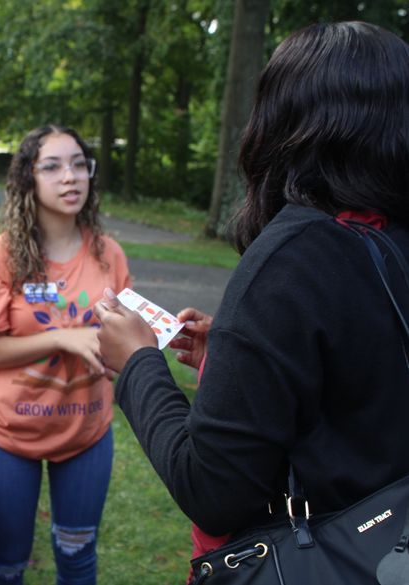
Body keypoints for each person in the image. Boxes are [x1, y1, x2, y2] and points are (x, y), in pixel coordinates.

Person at [93, 19, 409, 569]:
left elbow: (214, 492)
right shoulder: (388, 239)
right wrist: (245, 352)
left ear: (285, 124)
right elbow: (362, 382)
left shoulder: (291, 261)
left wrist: (139, 364)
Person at [0, 125, 131, 584]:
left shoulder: (109, 255)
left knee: (77, 559)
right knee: (6, 565)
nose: (71, 176)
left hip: (86, 431)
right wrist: (62, 338)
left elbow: (128, 332)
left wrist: (156, 335)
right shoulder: (0, 257)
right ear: (28, 179)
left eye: (80, 164)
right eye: (53, 166)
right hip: (9, 434)